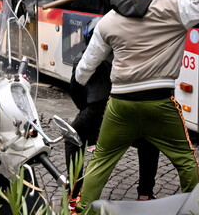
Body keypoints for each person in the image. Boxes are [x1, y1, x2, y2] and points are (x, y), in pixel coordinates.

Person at [74, 0, 199, 210]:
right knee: (185, 160)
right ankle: (194, 208)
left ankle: (82, 209)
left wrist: (83, 91)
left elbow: (86, 68)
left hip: (120, 104)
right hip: (160, 103)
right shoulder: (174, 8)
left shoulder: (108, 20)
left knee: (102, 160)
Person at [66, 18, 159, 208]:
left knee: (72, 137)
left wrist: (86, 112)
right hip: (127, 110)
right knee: (149, 142)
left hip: (96, 111)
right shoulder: (127, 56)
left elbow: (75, 91)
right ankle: (145, 193)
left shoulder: (83, 59)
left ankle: (75, 190)